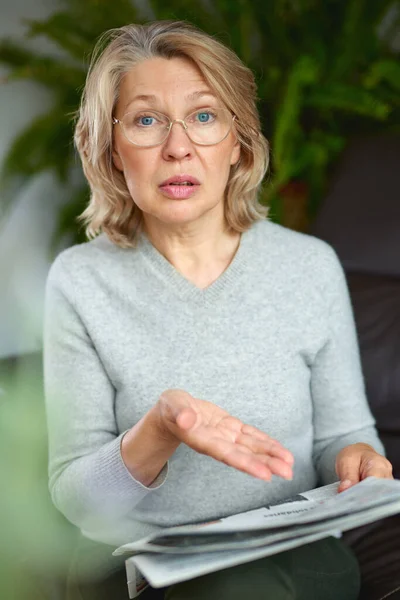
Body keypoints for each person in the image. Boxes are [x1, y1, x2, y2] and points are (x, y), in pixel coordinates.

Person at [44, 20, 393, 600]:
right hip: (146, 566)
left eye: (204, 116)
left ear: (238, 141)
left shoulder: (309, 266)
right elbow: (79, 503)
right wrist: (159, 431)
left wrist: (360, 459)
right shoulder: (81, 281)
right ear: (111, 149)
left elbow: (346, 435)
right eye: (147, 120)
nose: (178, 146)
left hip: (290, 555)